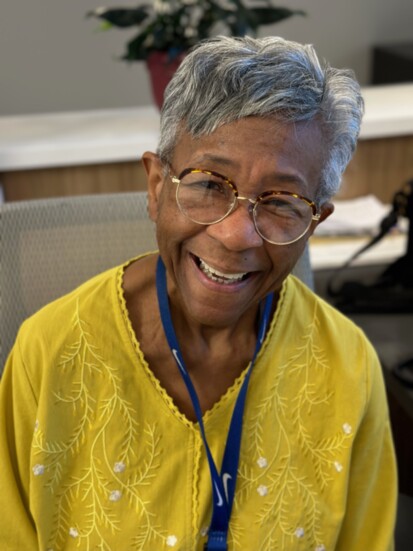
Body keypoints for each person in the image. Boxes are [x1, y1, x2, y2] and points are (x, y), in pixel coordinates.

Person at [0, 36, 397, 551]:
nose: (236, 235)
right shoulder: (49, 355)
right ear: (156, 186)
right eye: (210, 184)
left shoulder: (348, 368)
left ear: (314, 222)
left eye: (281, 202)